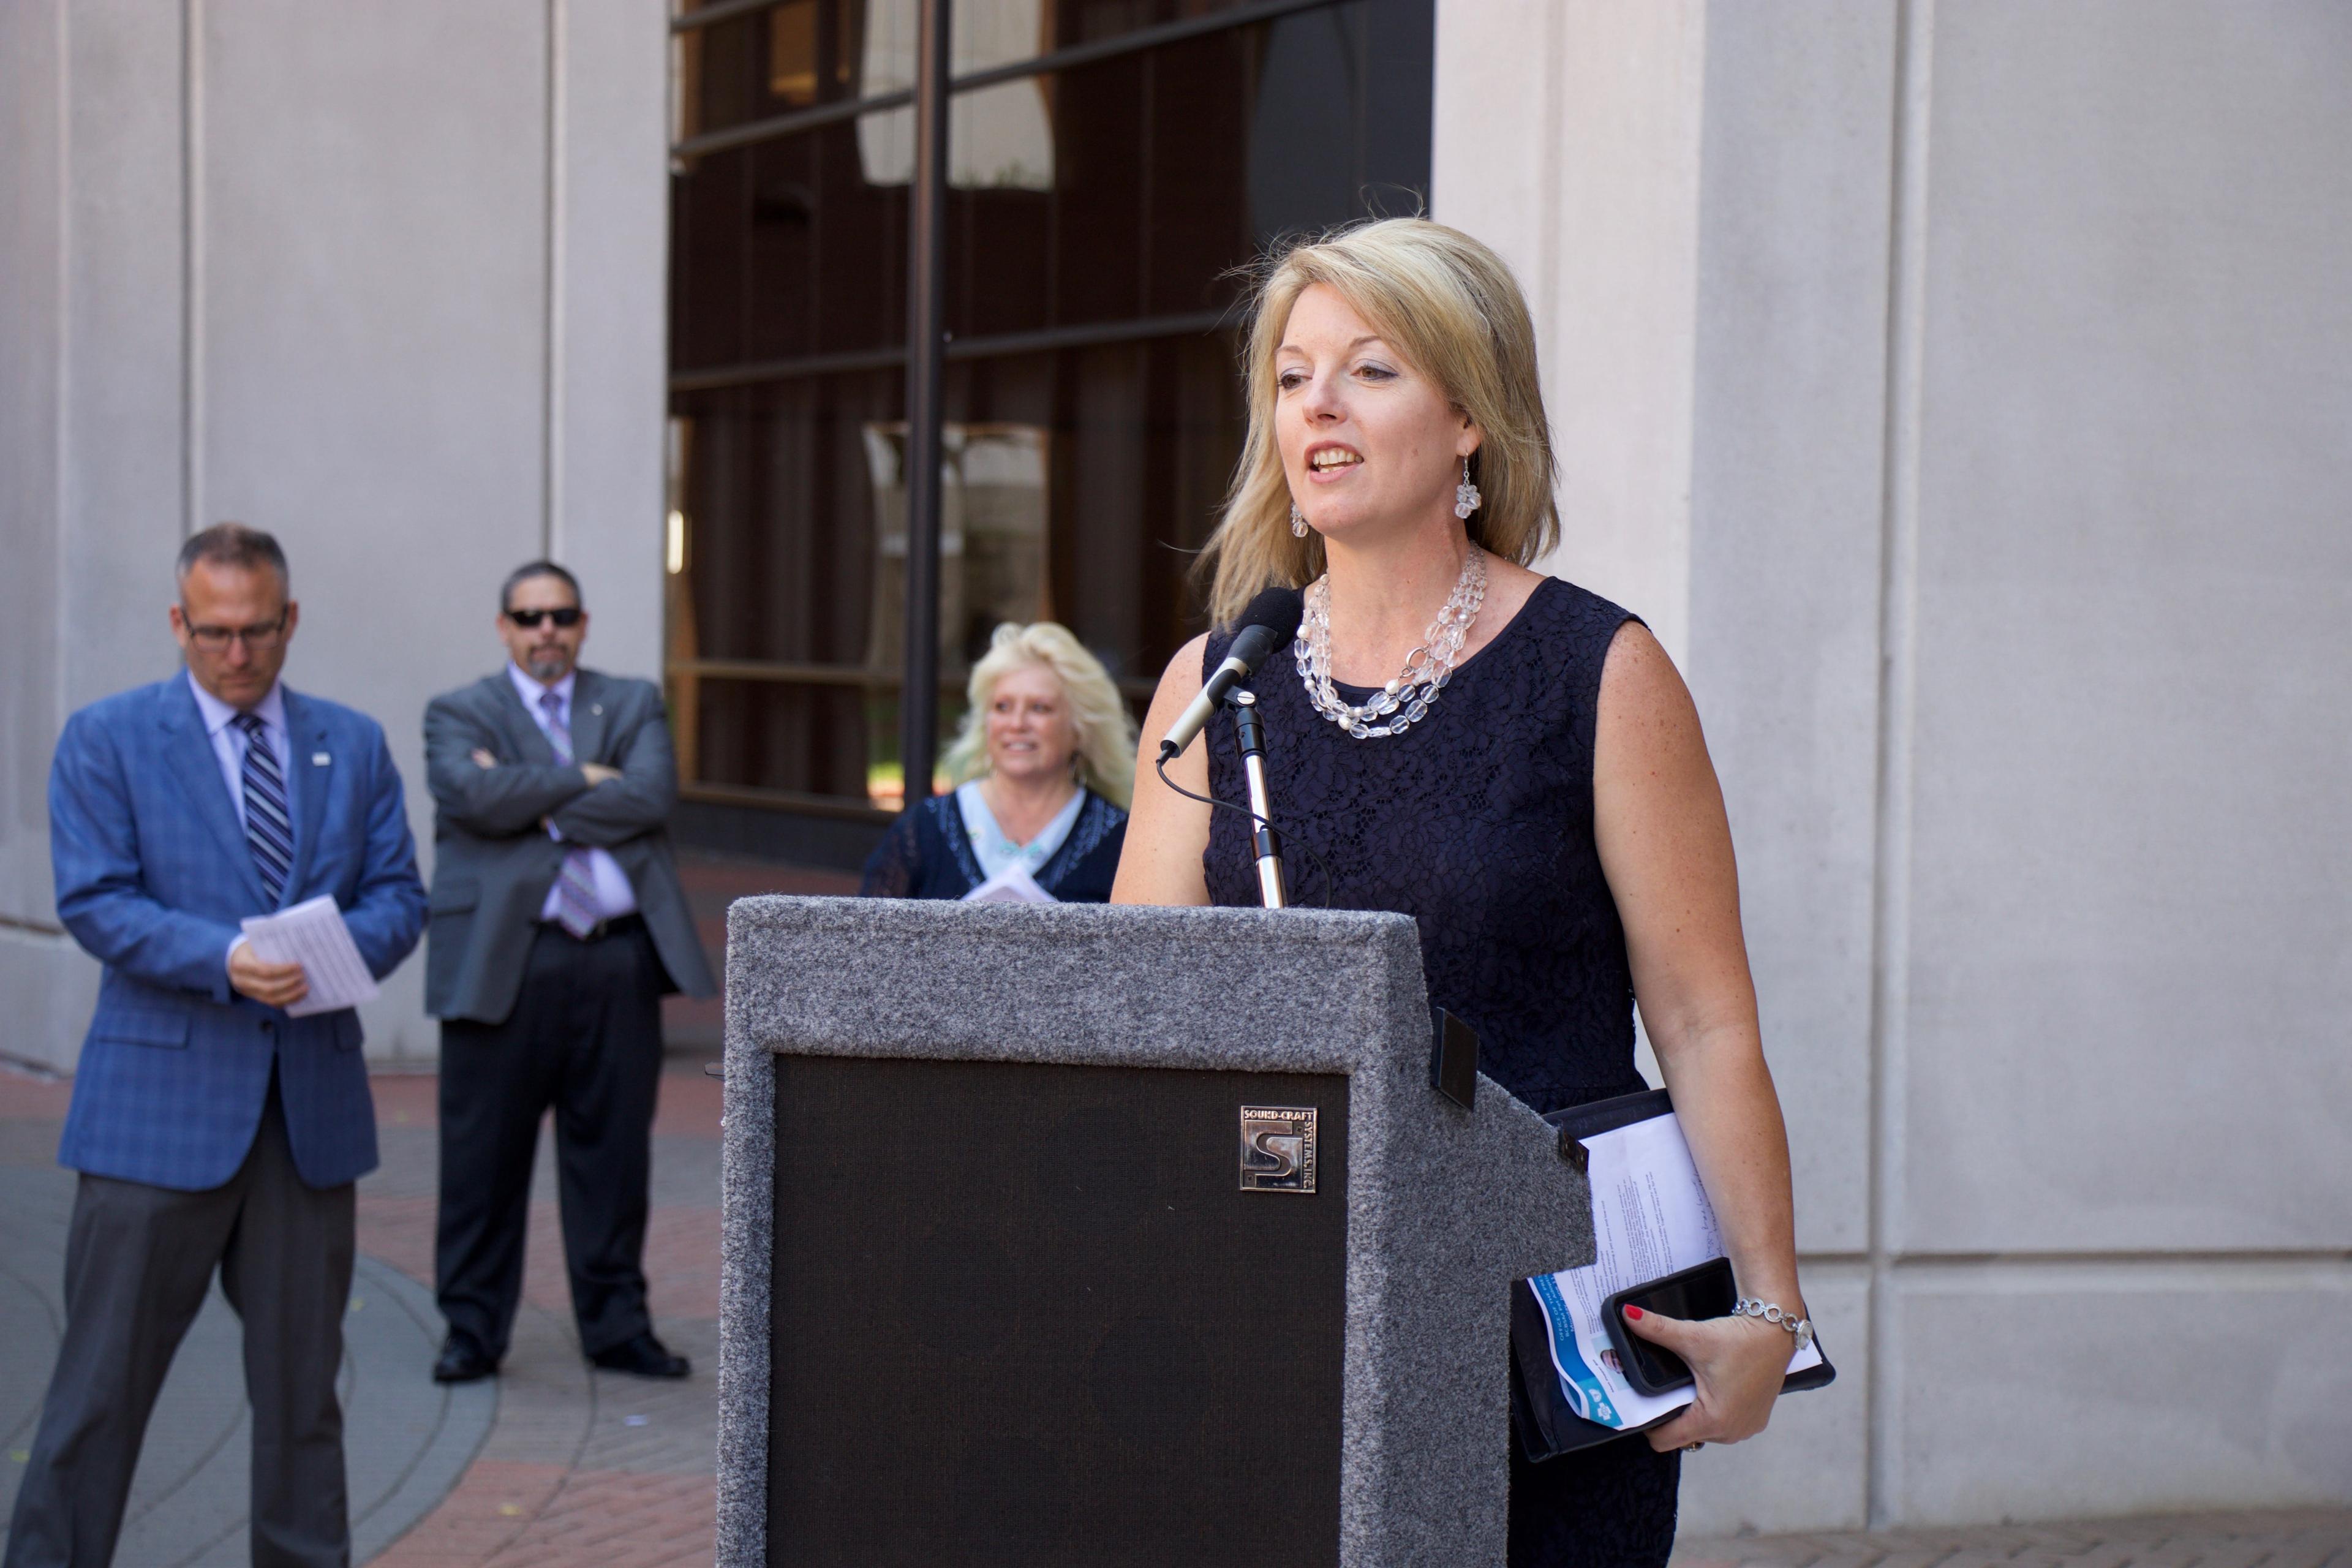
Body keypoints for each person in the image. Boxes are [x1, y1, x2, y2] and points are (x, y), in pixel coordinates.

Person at [1112, 219, 1811, 1568]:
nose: (1316, 403)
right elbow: (1141, 1012)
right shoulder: (1218, 681)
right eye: (1292, 372)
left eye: (1369, 370)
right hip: (1270, 1321)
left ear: (1471, 418)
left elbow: (1705, 1018)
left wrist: (1770, 1314)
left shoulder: (1598, 670)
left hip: (1541, 1335)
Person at [9, 523, 427, 1568]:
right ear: (176, 623)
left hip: (308, 1124)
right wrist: (223, 957)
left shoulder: (353, 742)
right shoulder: (106, 739)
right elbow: (95, 901)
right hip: (157, 1123)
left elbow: (398, 900)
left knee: (302, 1404)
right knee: (97, 1399)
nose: (235, 656)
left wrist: (329, 950)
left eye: (256, 632)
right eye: (212, 633)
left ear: (291, 620)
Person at [420, 561, 715, 1384]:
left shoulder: (631, 702)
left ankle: (617, 1328)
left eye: (560, 616)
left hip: (617, 959)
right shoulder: (459, 710)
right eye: (528, 616)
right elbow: (466, 797)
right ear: (504, 627)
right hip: (503, 964)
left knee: (614, 1159)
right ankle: (472, 1331)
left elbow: (651, 797)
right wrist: (584, 782)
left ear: (583, 625)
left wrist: (522, 799)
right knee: (483, 1163)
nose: (545, 630)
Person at [860, 622, 1134, 902]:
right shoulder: (924, 829)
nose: (1016, 724)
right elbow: (864, 936)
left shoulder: (1119, 840)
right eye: (1002, 706)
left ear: (1080, 728)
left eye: (1039, 708)